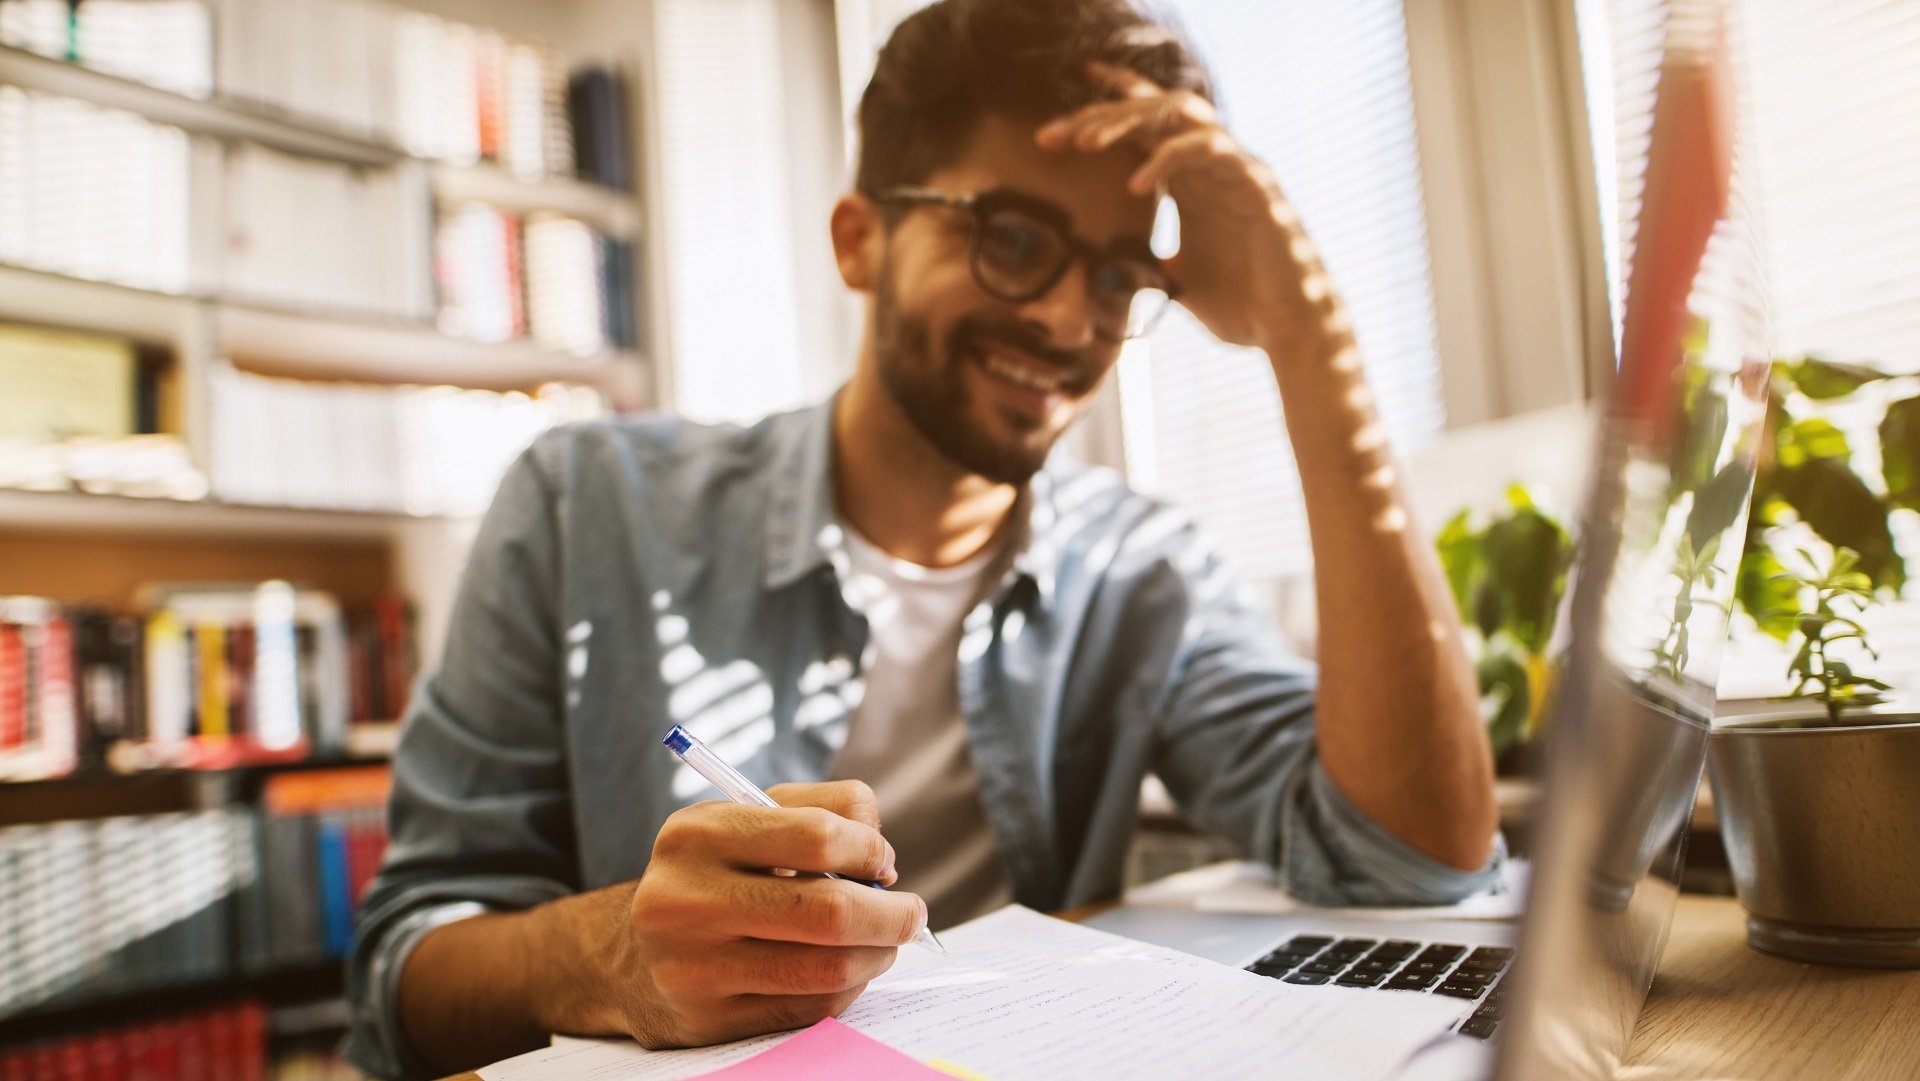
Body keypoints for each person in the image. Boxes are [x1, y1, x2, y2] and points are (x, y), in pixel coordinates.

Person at [345, 1, 1500, 1076]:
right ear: (861, 241)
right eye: (1012, 236)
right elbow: (401, 979)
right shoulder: (583, 505)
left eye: (1116, 275)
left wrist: (1310, 340)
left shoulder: (1141, 568)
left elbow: (1411, 863)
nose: (1066, 319)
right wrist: (612, 960)